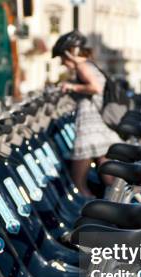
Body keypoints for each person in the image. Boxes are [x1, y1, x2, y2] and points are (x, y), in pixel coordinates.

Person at [51, 31, 121, 197]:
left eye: (62, 57)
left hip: (90, 131)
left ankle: (89, 218)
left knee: (78, 185)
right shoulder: (90, 64)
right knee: (111, 182)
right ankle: (111, 215)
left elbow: (95, 87)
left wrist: (71, 87)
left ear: (70, 53)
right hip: (100, 130)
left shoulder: (82, 67)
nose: (62, 62)